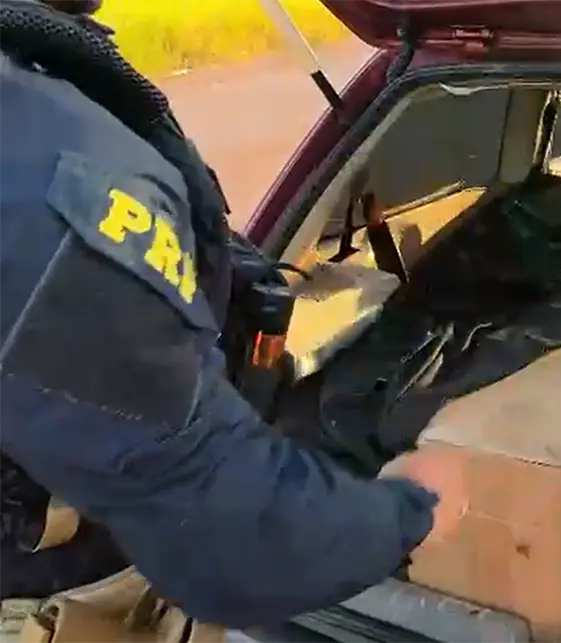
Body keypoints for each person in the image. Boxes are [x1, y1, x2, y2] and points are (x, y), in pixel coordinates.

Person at [0, 0, 465, 628]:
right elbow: (233, 540)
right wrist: (419, 504)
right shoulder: (46, 167)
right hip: (61, 593)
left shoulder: (38, 89)